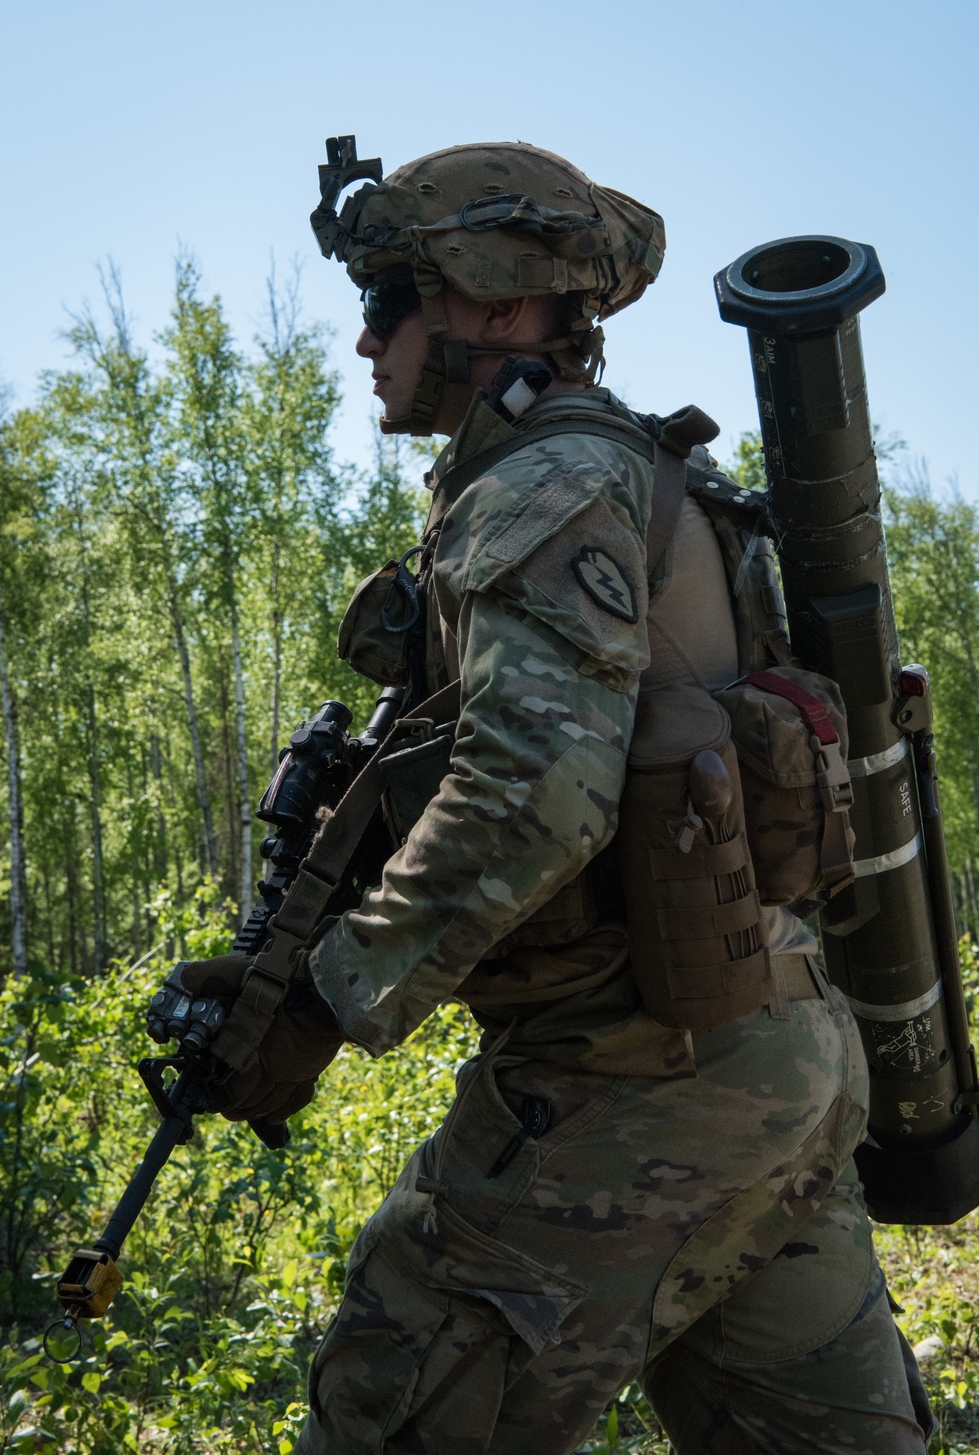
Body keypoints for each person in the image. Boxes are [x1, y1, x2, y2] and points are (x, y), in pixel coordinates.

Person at [177, 141, 934, 1453]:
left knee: (391, 1399)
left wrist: (319, 1001)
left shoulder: (541, 489)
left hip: (634, 1079)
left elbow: (536, 795)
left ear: (495, 303)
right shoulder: (630, 477)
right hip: (775, 1059)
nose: (366, 339)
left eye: (392, 299)